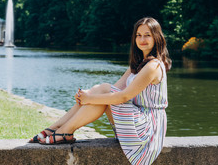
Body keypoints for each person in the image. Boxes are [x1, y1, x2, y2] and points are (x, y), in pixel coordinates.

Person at [29, 17, 171, 165]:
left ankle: (64, 131)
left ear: (156, 37)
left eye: (147, 35)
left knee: (101, 91)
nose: (142, 39)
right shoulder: (138, 64)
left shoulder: (153, 66)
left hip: (146, 130)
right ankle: (56, 128)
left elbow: (124, 96)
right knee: (101, 90)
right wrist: (89, 94)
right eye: (138, 35)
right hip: (134, 122)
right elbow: (114, 89)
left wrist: (89, 98)